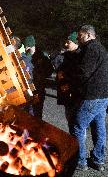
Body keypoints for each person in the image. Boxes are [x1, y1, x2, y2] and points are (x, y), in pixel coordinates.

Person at [71, 25, 108, 171]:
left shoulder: (91, 49)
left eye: (80, 35)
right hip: (104, 96)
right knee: (99, 128)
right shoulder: (102, 49)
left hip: (92, 96)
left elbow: (83, 72)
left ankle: (80, 161)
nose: (78, 38)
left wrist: (71, 80)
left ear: (88, 35)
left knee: (78, 127)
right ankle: (98, 160)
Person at [56, 31, 80, 134]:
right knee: (70, 122)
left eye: (68, 42)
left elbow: (80, 76)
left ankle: (78, 147)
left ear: (76, 43)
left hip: (75, 95)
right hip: (66, 95)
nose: (66, 44)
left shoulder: (80, 57)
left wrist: (67, 82)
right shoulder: (66, 56)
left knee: (77, 125)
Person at [24, 35, 53, 119]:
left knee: (36, 112)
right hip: (27, 89)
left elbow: (50, 70)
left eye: (27, 46)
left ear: (32, 46)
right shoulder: (24, 56)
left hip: (38, 89)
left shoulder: (42, 56)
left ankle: (36, 129)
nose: (26, 48)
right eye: (25, 46)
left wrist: (41, 75)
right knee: (26, 112)